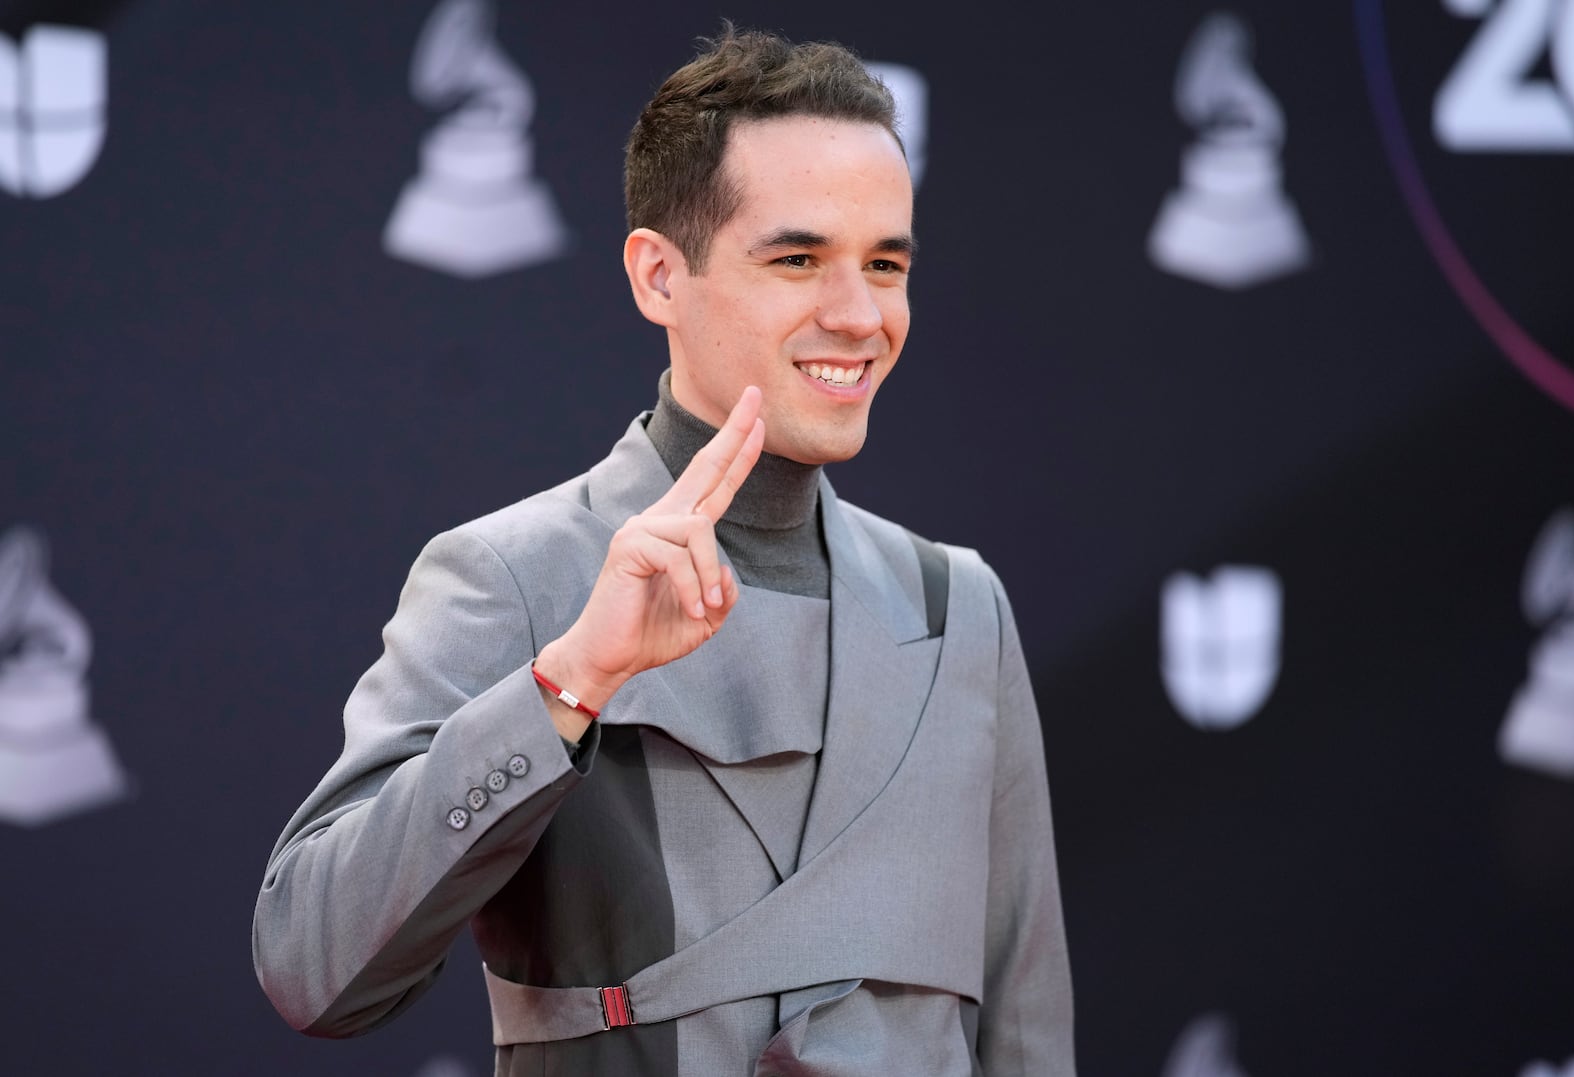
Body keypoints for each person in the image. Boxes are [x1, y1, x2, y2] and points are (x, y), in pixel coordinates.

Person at [253, 24, 1074, 1076]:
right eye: (796, 259)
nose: (858, 315)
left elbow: (1024, 1031)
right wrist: (569, 680)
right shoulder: (512, 575)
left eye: (884, 263)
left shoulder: (958, 608)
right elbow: (310, 965)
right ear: (657, 277)